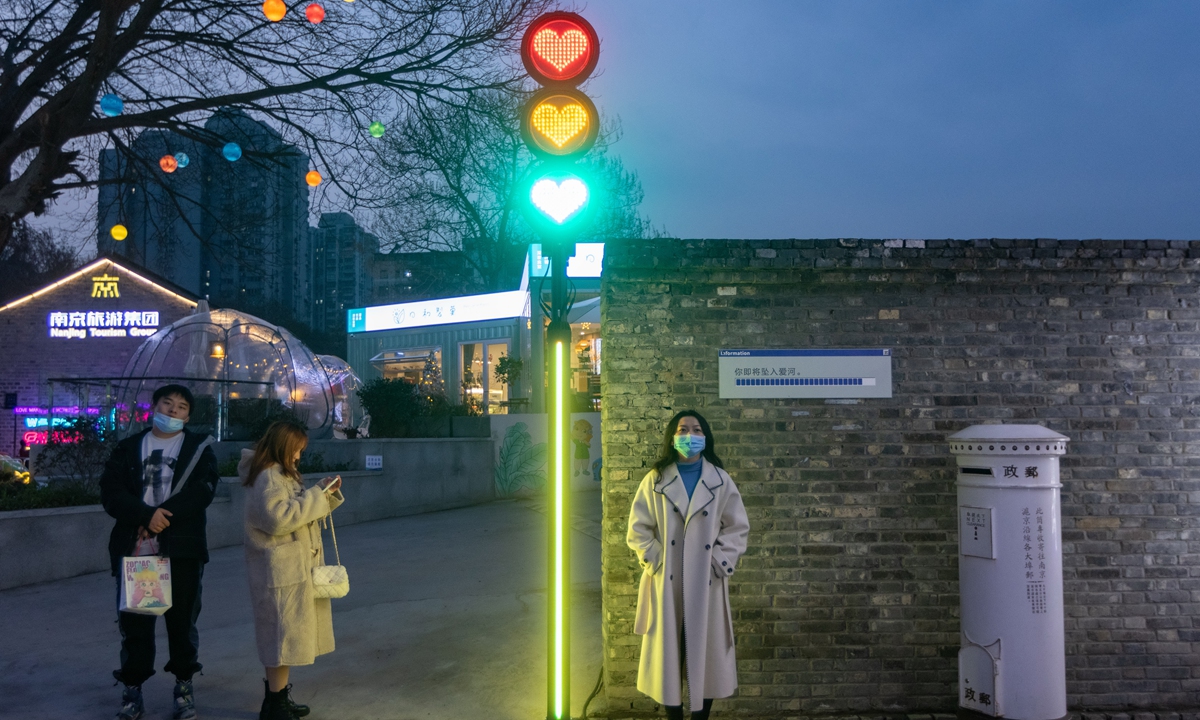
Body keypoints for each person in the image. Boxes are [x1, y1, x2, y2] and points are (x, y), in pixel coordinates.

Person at [100, 384, 219, 720]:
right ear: (154, 407)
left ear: (188, 416)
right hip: (140, 555)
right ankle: (132, 691)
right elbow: (110, 492)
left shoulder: (199, 449)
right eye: (167, 404)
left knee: (182, 624)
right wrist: (143, 515)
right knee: (137, 627)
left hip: (181, 551)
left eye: (181, 407)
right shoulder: (128, 448)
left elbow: (203, 491)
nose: (173, 411)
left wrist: (162, 517)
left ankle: (183, 688)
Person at [627, 410, 750, 720]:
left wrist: (718, 562)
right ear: (672, 436)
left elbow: (738, 527)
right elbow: (638, 529)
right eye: (683, 429)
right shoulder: (656, 478)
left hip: (705, 582)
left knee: (705, 659)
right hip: (666, 582)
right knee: (669, 659)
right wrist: (656, 561)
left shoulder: (720, 479)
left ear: (705, 436)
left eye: (696, 429)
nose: (689, 434)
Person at [240, 421, 345, 720]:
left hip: (286, 569)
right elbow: (279, 518)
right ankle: (274, 705)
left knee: (282, 639)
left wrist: (322, 495)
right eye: (297, 448)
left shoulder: (277, 474)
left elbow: (294, 512)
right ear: (285, 445)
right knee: (279, 639)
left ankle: (277, 701)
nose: (299, 454)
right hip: (279, 571)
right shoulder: (269, 477)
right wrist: (316, 495)